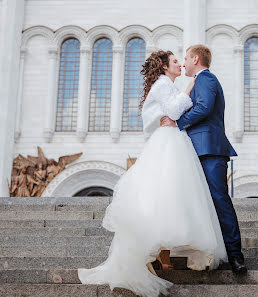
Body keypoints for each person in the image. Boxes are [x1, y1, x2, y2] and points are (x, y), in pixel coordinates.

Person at [77, 50, 228, 297]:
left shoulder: (165, 84)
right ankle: (158, 252)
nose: (180, 64)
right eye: (175, 61)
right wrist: (189, 88)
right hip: (168, 141)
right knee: (164, 192)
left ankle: (165, 253)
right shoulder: (162, 84)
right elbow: (175, 109)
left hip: (174, 139)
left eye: (182, 60)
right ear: (165, 67)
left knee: (172, 195)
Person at [160, 44, 247, 273]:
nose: (184, 62)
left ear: (196, 59)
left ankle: (236, 255)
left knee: (219, 199)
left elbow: (205, 107)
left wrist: (178, 122)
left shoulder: (206, 79)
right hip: (195, 150)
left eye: (186, 58)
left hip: (209, 149)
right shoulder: (196, 82)